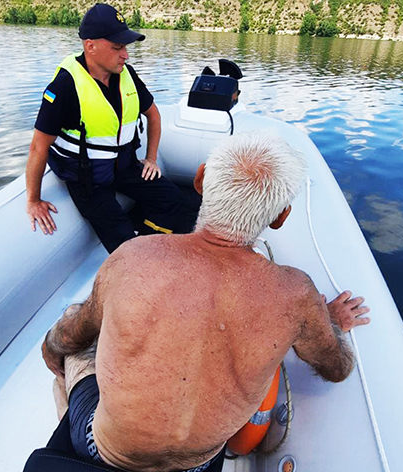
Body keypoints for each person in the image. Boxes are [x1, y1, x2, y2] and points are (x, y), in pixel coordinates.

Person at [41, 133, 371, 472]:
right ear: (280, 217)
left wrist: (52, 352)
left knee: (75, 319)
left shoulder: (134, 258)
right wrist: (323, 320)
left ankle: (65, 413)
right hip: (197, 465)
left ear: (200, 179)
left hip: (103, 452)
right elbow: (337, 368)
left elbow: (68, 338)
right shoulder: (297, 295)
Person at [26, 3, 191, 253]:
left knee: (176, 201)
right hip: (87, 180)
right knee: (124, 241)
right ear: (90, 45)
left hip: (124, 167)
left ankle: (151, 246)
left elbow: (153, 115)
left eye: (125, 47)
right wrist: (34, 200)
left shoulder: (127, 74)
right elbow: (39, 147)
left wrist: (151, 158)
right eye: (118, 47)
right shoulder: (64, 87)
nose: (125, 55)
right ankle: (138, 257)